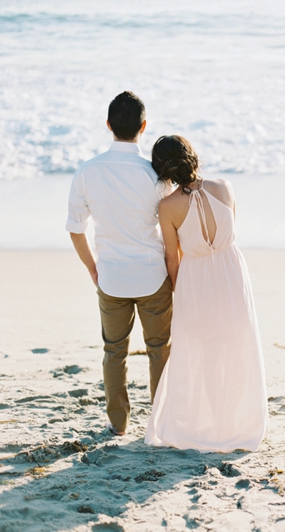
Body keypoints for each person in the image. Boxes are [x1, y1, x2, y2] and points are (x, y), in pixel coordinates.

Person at [145, 135, 267, 453]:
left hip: (195, 278)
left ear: (164, 171)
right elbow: (228, 233)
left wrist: (178, 290)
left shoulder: (167, 207)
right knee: (235, 346)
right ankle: (235, 421)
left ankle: (215, 423)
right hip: (231, 271)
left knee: (208, 352)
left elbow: (172, 257)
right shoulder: (224, 187)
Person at [66, 91, 173, 436]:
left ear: (109, 125)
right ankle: (159, 421)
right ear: (144, 126)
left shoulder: (88, 171)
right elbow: (174, 227)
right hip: (154, 277)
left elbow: (75, 228)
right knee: (159, 349)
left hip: (110, 277)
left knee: (114, 351)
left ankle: (119, 424)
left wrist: (92, 267)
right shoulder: (155, 175)